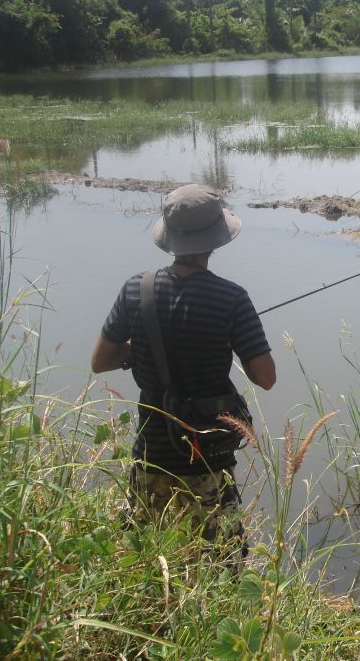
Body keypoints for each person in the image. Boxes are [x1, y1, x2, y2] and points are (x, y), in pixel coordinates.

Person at [91, 183, 275, 559]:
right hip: (206, 455)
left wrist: (133, 351)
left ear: (170, 238)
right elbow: (266, 378)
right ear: (215, 241)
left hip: (152, 452)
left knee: (148, 557)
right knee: (221, 563)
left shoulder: (135, 290)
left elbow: (101, 361)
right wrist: (227, 339)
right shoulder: (231, 298)